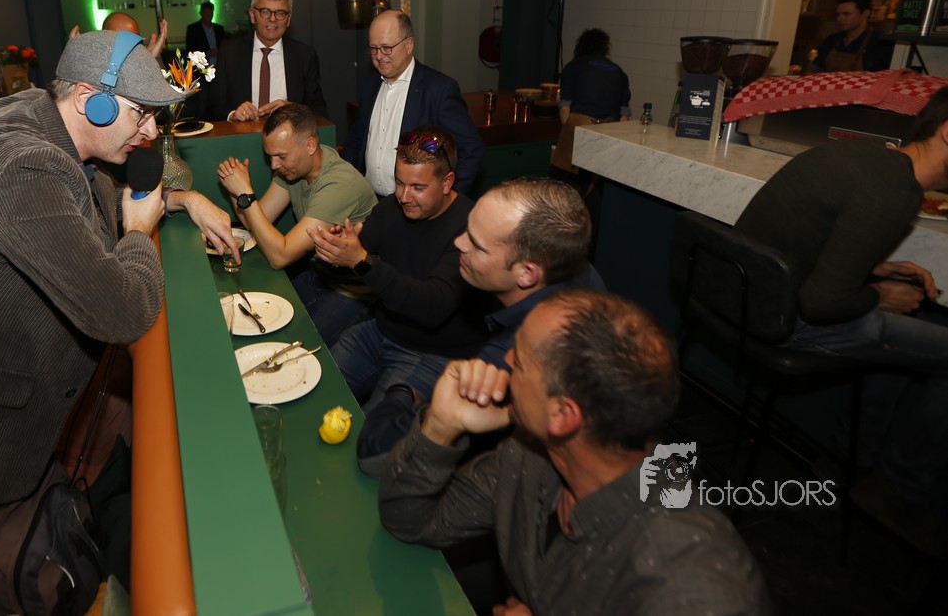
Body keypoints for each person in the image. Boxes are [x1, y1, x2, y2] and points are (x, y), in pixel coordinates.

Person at [0, 29, 241, 616]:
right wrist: (140, 232)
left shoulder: (43, 122)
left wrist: (183, 200)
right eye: (140, 114)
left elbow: (91, 204)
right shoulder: (24, 164)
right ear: (91, 100)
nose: (149, 133)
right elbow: (121, 311)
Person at [378, 289, 768, 616]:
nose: (506, 362)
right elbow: (408, 518)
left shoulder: (691, 583)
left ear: (563, 415)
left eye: (521, 361)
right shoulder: (529, 454)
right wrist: (441, 426)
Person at [734, 84, 948, 555]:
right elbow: (822, 304)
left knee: (906, 339)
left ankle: (848, 458)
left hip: (742, 296)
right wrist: (878, 294)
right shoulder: (897, 191)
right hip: (785, 320)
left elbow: (809, 241)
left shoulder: (865, 157)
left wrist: (874, 270)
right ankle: (900, 490)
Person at [354, 177, 604, 472]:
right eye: (467, 228)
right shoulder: (573, 266)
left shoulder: (514, 355)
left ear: (527, 273)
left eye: (477, 244)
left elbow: (375, 452)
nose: (459, 242)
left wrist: (401, 394)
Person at [315, 126, 489, 398]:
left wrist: (360, 259)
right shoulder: (391, 208)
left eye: (418, 187)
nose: (404, 197)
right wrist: (338, 247)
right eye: (399, 182)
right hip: (381, 330)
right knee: (317, 391)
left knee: (380, 424)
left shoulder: (472, 228)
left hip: (434, 352)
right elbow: (356, 254)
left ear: (447, 182)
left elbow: (433, 307)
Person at [217, 102, 375, 271]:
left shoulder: (339, 185)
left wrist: (245, 193)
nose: (274, 165)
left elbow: (280, 258)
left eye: (282, 156)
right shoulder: (296, 168)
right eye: (270, 156)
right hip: (320, 273)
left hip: (350, 283)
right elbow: (253, 223)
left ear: (310, 145)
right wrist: (235, 190)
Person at [341, 10, 484, 195]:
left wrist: (447, 199)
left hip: (415, 205)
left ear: (409, 45)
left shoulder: (439, 89)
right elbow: (357, 138)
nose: (379, 56)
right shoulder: (370, 84)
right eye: (373, 48)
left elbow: (471, 149)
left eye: (386, 47)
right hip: (369, 200)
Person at [206, 0, 329, 121]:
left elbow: (320, 112)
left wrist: (293, 110)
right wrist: (233, 115)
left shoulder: (304, 56)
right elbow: (212, 108)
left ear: (288, 19)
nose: (272, 19)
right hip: (242, 133)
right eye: (265, 12)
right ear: (252, 15)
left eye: (280, 13)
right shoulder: (230, 52)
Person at [550, 28, 630, 177]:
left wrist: (567, 130)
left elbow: (564, 108)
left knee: (562, 178)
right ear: (605, 49)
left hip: (579, 127)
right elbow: (624, 117)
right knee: (595, 180)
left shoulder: (573, 66)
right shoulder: (619, 72)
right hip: (608, 131)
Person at [805, 0, 894, 74]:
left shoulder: (880, 44)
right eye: (838, 14)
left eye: (846, 14)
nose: (839, 19)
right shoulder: (831, 41)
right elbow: (815, 71)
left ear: (866, 13)